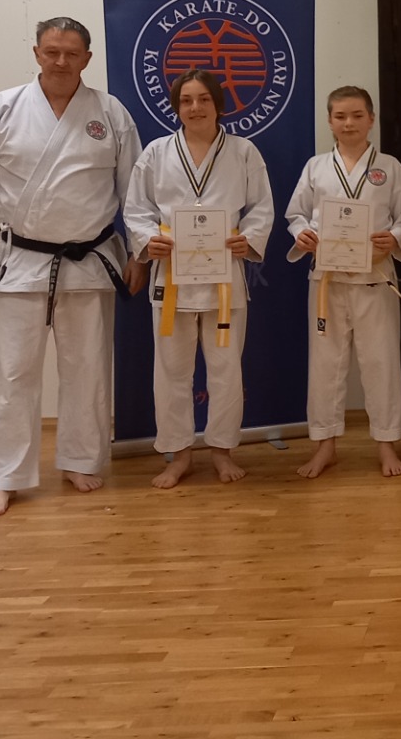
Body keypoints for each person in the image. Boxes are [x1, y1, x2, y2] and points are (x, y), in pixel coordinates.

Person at [0, 17, 145, 516]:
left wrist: (139, 252)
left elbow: (135, 190)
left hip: (90, 260)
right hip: (22, 259)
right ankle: (4, 476)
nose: (60, 61)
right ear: (36, 53)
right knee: (13, 372)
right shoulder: (2, 109)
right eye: (51, 51)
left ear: (87, 59)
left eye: (71, 53)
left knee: (87, 369)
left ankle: (81, 460)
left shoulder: (110, 113)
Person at [125, 68, 275, 488]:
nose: (195, 107)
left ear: (218, 104)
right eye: (186, 100)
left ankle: (222, 451)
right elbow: (136, 209)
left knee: (226, 369)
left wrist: (249, 238)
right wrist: (148, 239)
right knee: (171, 370)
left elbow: (262, 206)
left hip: (224, 277)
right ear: (176, 107)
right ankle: (179, 455)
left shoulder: (244, 152)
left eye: (203, 99)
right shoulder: (156, 152)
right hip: (172, 275)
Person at [284, 86, 401, 479]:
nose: (349, 123)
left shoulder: (390, 167)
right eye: (340, 116)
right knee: (325, 365)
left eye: (357, 115)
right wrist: (302, 234)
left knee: (381, 362)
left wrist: (394, 238)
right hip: (328, 280)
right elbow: (296, 214)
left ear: (371, 119)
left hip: (375, 278)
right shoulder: (316, 167)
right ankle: (325, 445)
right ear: (329, 121)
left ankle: (386, 444)